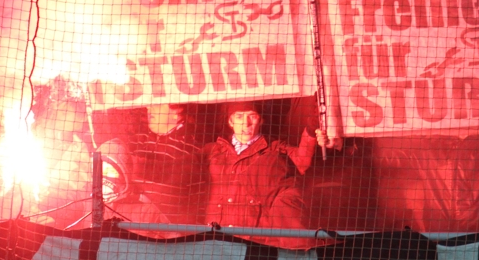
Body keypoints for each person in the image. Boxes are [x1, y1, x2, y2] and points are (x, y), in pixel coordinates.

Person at [203, 100, 327, 246]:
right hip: (217, 239)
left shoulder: (274, 149)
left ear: (261, 120)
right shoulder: (212, 151)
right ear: (230, 121)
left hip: (255, 241)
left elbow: (302, 160)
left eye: (252, 116)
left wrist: (312, 129)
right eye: (239, 117)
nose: (246, 123)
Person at [99, 104, 204, 227]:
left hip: (165, 232)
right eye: (149, 104)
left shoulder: (192, 148)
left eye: (158, 104)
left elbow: (198, 202)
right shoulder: (136, 141)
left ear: (177, 111)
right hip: (127, 224)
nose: (149, 108)